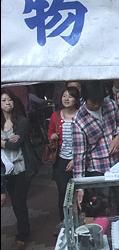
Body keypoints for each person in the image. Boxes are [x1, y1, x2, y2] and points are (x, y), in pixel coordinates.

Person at [72, 81, 119, 215]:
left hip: (117, 164)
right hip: (98, 168)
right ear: (84, 99)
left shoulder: (111, 105)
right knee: (103, 207)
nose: (97, 105)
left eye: (100, 101)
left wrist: (118, 137)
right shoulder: (79, 121)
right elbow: (79, 156)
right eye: (93, 102)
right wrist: (80, 186)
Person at [1, 88, 38, 250]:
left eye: (9, 100)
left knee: (18, 201)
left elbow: (14, 144)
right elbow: (9, 143)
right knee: (16, 202)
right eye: (3, 100)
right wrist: (6, 141)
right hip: (6, 169)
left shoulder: (21, 121)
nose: (7, 103)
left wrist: (3, 142)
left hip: (22, 167)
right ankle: (24, 230)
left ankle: (22, 235)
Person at [48, 86, 80, 225]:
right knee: (62, 191)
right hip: (61, 159)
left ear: (76, 99)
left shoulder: (81, 115)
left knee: (80, 191)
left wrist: (75, 159)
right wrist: (52, 136)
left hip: (78, 159)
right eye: (64, 96)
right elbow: (49, 132)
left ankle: (80, 218)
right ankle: (64, 220)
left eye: (70, 96)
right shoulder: (56, 115)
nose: (66, 99)